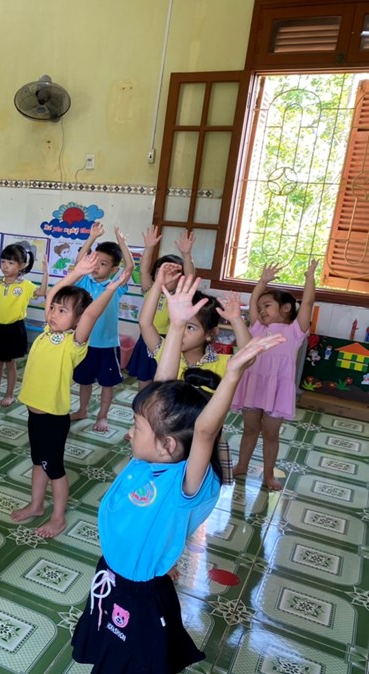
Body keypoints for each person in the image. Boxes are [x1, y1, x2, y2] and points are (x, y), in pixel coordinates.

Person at [70, 277, 285, 673]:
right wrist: (176, 325)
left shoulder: (181, 483)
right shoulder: (149, 459)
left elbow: (204, 431)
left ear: (168, 444)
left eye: (137, 427)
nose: (129, 433)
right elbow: (162, 386)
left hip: (138, 593)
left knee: (133, 663)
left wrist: (232, 374)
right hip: (112, 572)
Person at [12, 253, 131, 537]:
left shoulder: (74, 343)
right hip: (34, 413)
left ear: (77, 321)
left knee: (54, 469)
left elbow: (91, 314)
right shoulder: (47, 331)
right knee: (38, 462)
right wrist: (77, 272)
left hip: (53, 418)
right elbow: (54, 292)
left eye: (62, 311)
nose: (53, 314)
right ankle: (36, 505)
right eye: (53, 309)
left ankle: (58, 518)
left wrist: (110, 289)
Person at [232, 260, 317, 490]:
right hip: (253, 384)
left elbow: (308, 302)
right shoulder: (258, 327)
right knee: (250, 429)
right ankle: (241, 465)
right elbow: (252, 302)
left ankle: (268, 475)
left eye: (267, 306)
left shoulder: (295, 331)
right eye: (260, 308)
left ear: (286, 308)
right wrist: (262, 281)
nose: (261, 310)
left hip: (277, 390)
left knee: (270, 434)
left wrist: (310, 277)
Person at [139, 264, 250, 389]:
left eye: (190, 327)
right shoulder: (165, 352)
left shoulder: (222, 363)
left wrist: (236, 319)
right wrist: (158, 285)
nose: (181, 331)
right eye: (175, 323)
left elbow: (248, 356)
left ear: (210, 334)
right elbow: (145, 324)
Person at [69, 223, 134, 432]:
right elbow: (79, 262)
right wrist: (91, 238)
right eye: (95, 261)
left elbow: (129, 268)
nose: (96, 267)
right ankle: (82, 410)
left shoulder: (115, 286)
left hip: (107, 345)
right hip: (84, 343)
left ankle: (103, 416)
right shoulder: (84, 283)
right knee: (84, 381)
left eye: (103, 264)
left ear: (114, 269)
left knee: (107, 383)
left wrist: (122, 242)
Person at [0, 242, 48, 406]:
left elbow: (41, 292)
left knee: (10, 363)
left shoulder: (25, 286)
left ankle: (10, 394)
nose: (5, 266)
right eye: (3, 261)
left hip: (14, 329)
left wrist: (46, 273)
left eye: (10, 263)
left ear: (21, 266)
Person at [126, 226, 196, 390]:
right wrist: (149, 247)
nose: (165, 276)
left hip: (169, 341)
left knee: (164, 381)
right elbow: (144, 270)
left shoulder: (180, 295)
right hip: (146, 339)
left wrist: (186, 255)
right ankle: (144, 402)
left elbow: (190, 277)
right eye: (161, 272)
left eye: (173, 272)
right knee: (144, 379)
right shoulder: (150, 289)